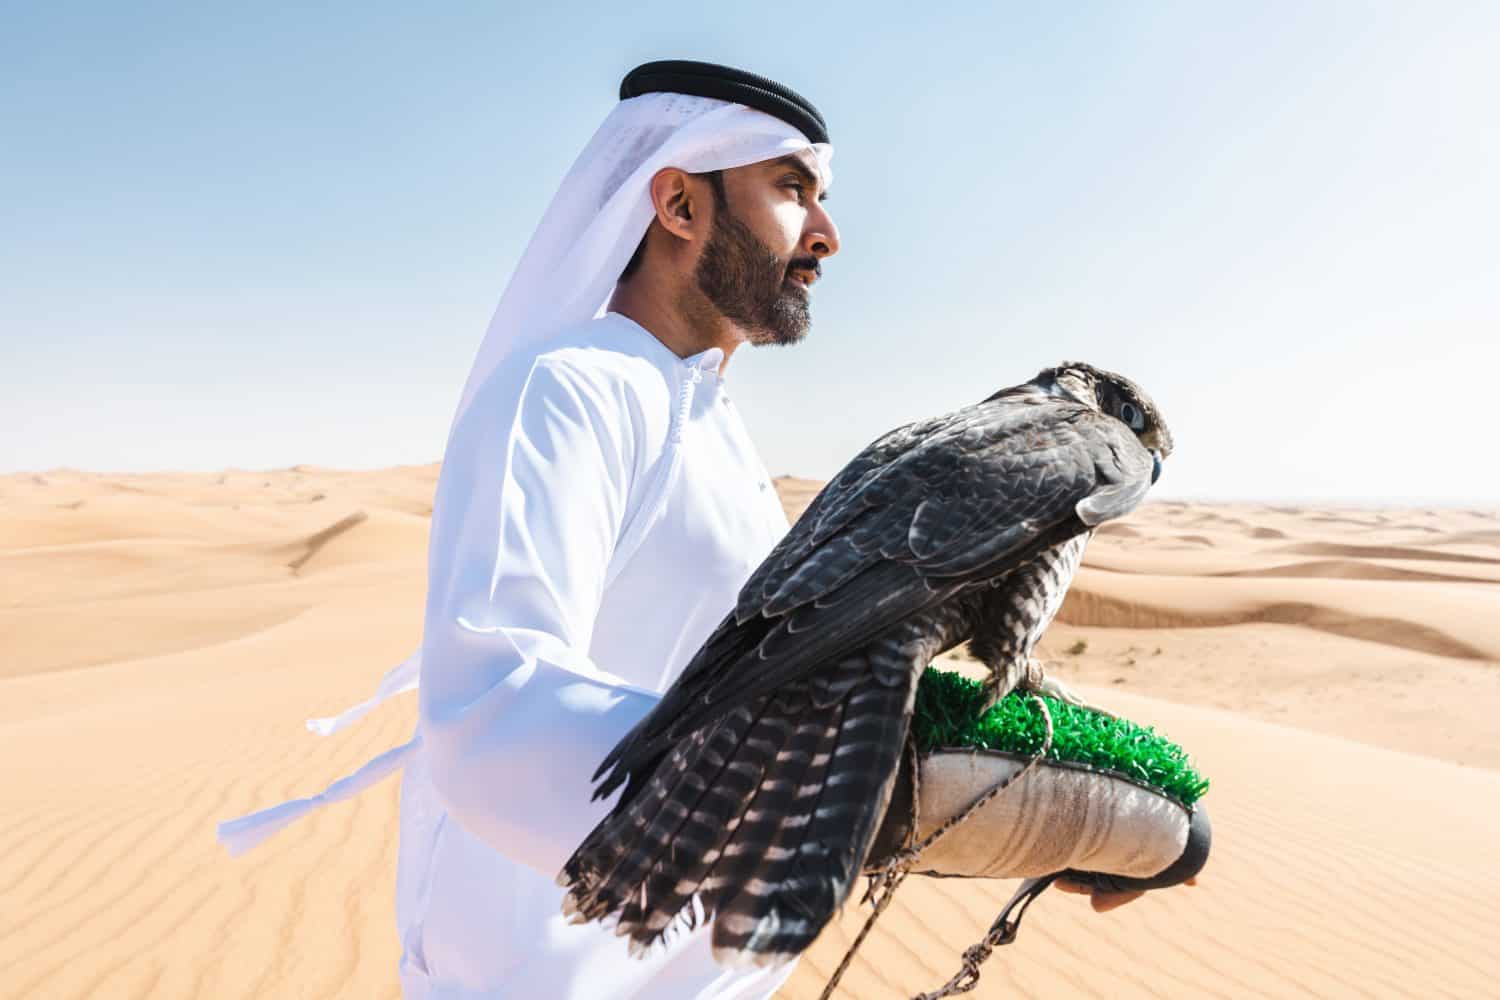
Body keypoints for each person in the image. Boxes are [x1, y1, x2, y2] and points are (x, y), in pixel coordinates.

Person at [218, 59, 1158, 999]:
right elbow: (490, 705)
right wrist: (813, 798)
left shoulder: (716, 427)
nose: (826, 234)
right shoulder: (570, 388)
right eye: (793, 189)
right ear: (677, 205)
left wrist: (1012, 803)